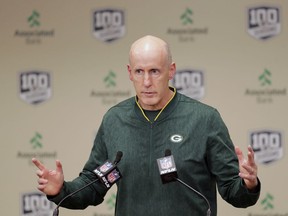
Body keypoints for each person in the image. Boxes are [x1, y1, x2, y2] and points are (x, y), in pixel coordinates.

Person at [32, 35, 260, 216]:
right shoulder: (115, 120)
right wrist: (60, 190)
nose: (147, 82)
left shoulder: (204, 119)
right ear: (130, 73)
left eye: (155, 71)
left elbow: (233, 192)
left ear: (171, 70)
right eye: (139, 72)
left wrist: (248, 184)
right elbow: (94, 186)